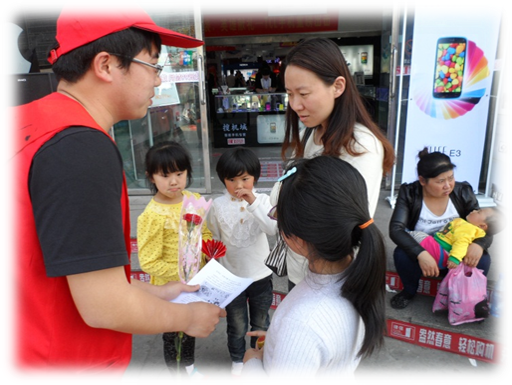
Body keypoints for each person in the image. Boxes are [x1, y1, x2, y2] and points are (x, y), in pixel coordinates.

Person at [2, 3, 225, 381]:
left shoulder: (24, 122)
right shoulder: (80, 149)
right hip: (65, 369)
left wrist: (158, 294)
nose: (159, 80)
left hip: (28, 350)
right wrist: (188, 317)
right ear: (106, 65)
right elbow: (104, 307)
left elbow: (71, 270)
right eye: (153, 65)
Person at [241, 156, 387, 382]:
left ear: (298, 238)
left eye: (278, 216)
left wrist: (251, 364)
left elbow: (308, 334)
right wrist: (277, 344)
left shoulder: (302, 324)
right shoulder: (361, 278)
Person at [273, 37, 395, 290]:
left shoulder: (360, 148)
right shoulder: (315, 132)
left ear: (338, 86)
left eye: (304, 94)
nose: (295, 105)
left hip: (330, 277)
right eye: (290, 94)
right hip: (304, 267)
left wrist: (282, 205)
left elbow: (347, 228)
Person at [137, 141, 213, 383]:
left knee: (189, 328)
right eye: (165, 175)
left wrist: (207, 254)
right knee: (172, 335)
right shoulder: (152, 215)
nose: (174, 181)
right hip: (168, 288)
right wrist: (182, 272)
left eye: (179, 173)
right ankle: (179, 377)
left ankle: (189, 367)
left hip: (194, 283)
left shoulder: (194, 200)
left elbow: (205, 233)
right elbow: (148, 261)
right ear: (151, 177)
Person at [389, 148, 494, 309]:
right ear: (423, 181)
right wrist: (420, 254)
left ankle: (464, 298)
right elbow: (396, 229)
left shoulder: (462, 191)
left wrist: (479, 245)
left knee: (483, 258)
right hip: (426, 252)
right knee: (402, 253)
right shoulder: (410, 193)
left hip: (456, 253)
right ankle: (409, 291)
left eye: (451, 178)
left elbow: (485, 225)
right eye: (440, 181)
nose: (448, 186)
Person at [207, 147, 276, 382]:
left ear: (254, 178)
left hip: (260, 275)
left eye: (245, 179)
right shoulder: (216, 205)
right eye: (232, 180)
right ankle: (238, 359)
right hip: (231, 277)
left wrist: (253, 202)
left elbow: (272, 228)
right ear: (223, 180)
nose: (239, 185)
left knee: (260, 322)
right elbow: (213, 238)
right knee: (236, 325)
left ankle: (259, 356)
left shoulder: (263, 200)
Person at [409, 207, 507, 269]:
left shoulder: (467, 229)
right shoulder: (468, 226)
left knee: (416, 235)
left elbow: (461, 243)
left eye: (478, 212)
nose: (474, 210)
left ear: (482, 226)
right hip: (440, 248)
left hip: (440, 251)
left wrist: (455, 258)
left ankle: (406, 233)